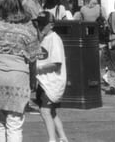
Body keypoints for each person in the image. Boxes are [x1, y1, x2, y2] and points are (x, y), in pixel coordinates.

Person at [0, 0, 41, 142]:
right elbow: (33, 58)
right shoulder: (27, 30)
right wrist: (33, 79)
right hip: (18, 77)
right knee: (15, 123)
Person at [34, 11, 68, 142]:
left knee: (45, 111)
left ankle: (52, 139)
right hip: (43, 81)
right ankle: (63, 137)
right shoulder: (42, 38)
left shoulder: (55, 39)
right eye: (39, 24)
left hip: (53, 81)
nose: (40, 27)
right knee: (52, 112)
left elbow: (56, 64)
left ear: (51, 25)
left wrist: (38, 68)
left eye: (43, 25)